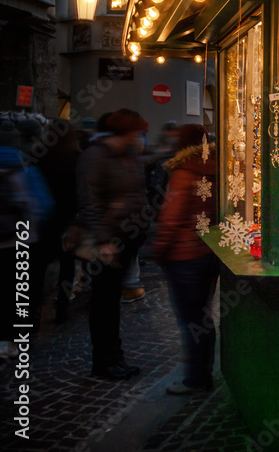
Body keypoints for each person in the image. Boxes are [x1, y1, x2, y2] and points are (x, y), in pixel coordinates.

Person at [75, 108, 152, 380]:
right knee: (104, 302)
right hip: (108, 241)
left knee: (111, 302)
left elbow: (136, 193)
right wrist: (104, 241)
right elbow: (90, 203)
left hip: (126, 238)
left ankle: (115, 357)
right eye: (136, 131)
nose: (139, 136)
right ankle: (104, 361)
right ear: (126, 132)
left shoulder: (127, 155)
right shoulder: (95, 157)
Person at [153, 124, 219, 394]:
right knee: (202, 318)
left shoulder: (183, 173)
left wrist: (159, 249)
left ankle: (196, 380)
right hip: (208, 252)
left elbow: (172, 216)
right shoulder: (216, 170)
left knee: (191, 319)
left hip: (184, 255)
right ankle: (202, 374)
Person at [0, 120, 53, 358]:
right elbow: (44, 203)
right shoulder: (27, 166)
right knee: (21, 289)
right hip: (23, 238)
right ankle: (18, 338)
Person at [35, 120, 82, 324]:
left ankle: (33, 311)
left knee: (38, 268)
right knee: (67, 266)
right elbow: (80, 193)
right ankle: (62, 307)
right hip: (67, 220)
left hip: (45, 220)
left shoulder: (40, 156)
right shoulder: (77, 158)